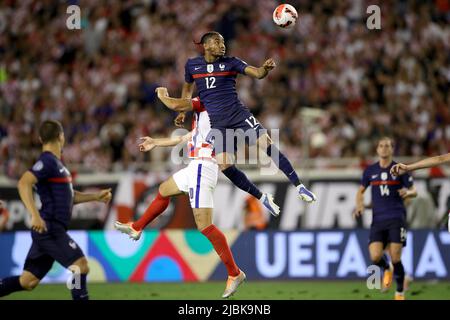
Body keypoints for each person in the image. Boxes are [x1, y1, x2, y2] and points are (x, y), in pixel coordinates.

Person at [115, 93, 248, 298]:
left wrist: (161, 95)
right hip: (195, 166)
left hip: (204, 166)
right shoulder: (200, 121)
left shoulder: (210, 105)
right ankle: (137, 227)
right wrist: (155, 142)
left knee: (205, 226)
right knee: (163, 190)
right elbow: (182, 138)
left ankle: (235, 273)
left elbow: (176, 104)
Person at [177, 31, 316, 205]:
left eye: (223, 42)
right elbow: (187, 88)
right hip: (219, 124)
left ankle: (299, 186)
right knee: (225, 166)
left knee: (268, 146)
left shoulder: (231, 63)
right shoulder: (192, 65)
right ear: (205, 46)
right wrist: (182, 111)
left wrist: (264, 69)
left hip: (239, 115)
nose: (222, 45)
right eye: (216, 42)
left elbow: (257, 73)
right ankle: (262, 197)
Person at [0, 120, 112, 300]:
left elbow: (69, 197)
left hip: (47, 230)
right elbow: (24, 183)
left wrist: (95, 197)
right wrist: (34, 215)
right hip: (50, 228)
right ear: (61, 136)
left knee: (27, 281)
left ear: (40, 138)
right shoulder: (48, 162)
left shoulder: (58, 166)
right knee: (80, 266)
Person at [354, 137, 417, 300]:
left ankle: (399, 293)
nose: (383, 148)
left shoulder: (399, 169)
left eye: (387, 146)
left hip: (396, 217)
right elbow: (360, 191)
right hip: (378, 220)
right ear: (377, 149)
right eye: (381, 146)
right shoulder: (370, 171)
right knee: (375, 257)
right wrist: (360, 205)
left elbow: (414, 191)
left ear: (392, 149)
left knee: (396, 257)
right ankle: (386, 267)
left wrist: (408, 193)